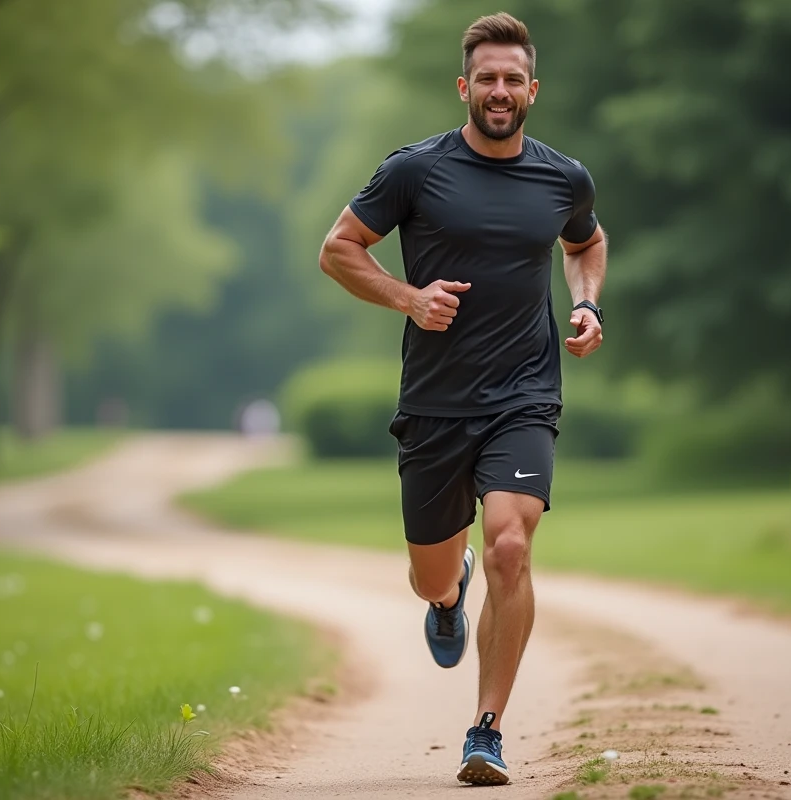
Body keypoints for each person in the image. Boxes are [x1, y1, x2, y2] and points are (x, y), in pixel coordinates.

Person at [317, 11, 607, 788]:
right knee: (430, 576)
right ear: (465, 86)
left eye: (514, 78)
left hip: (525, 394)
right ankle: (450, 594)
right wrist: (409, 299)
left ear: (533, 88)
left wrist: (588, 304)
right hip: (436, 404)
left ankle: (487, 732)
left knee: (514, 543)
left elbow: (587, 242)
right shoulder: (415, 170)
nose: (501, 90)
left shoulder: (562, 177)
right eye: (487, 78)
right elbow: (338, 249)